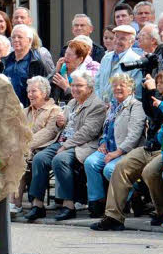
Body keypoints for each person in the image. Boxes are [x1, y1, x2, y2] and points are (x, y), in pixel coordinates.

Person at [92, 61, 163, 231]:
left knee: (150, 171)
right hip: (151, 146)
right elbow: (152, 113)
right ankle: (113, 217)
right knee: (121, 167)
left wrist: (157, 96)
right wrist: (149, 91)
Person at [24, 70, 105, 221]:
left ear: (90, 88)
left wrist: (66, 145)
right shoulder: (72, 102)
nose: (74, 89)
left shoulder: (97, 105)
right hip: (62, 142)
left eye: (79, 85)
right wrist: (59, 123)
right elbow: (64, 126)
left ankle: (68, 205)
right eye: (73, 85)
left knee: (60, 159)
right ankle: (37, 205)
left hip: (82, 145)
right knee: (40, 158)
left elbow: (88, 132)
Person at [83, 73, 144, 218]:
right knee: (90, 163)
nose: (117, 88)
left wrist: (118, 152)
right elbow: (106, 128)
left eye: (122, 85)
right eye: (115, 85)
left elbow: (134, 135)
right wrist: (103, 142)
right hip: (109, 148)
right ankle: (97, 201)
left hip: (126, 151)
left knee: (110, 170)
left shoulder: (136, 106)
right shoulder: (113, 106)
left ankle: (128, 197)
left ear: (131, 89)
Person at [14, 76, 62, 213]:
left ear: (44, 93)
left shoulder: (54, 110)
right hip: (23, 148)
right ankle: (4, 200)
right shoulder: (25, 112)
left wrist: (23, 146)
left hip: (43, 148)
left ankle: (15, 202)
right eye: (28, 91)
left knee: (18, 158)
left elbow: (48, 133)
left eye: (34, 91)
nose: (30, 95)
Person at [0, 25, 52, 106]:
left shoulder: (36, 63)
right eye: (13, 37)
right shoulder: (4, 62)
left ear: (29, 40)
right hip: (5, 109)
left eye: (19, 37)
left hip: (27, 110)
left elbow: (45, 90)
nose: (15, 40)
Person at [94, 25, 142, 104]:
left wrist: (114, 106)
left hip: (122, 110)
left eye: (123, 39)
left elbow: (136, 92)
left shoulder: (136, 61)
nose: (117, 41)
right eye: (116, 37)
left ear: (132, 42)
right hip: (101, 107)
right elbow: (97, 83)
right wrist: (100, 103)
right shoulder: (106, 57)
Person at [50, 38, 99, 103]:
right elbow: (47, 90)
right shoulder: (61, 68)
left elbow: (84, 99)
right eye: (66, 53)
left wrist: (67, 88)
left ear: (80, 59)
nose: (66, 57)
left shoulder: (86, 74)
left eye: (69, 55)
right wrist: (56, 71)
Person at [11, 7, 56, 72]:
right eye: (16, 17)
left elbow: (50, 75)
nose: (19, 20)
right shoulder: (7, 45)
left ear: (30, 21)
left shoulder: (41, 52)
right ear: (12, 21)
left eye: (22, 17)